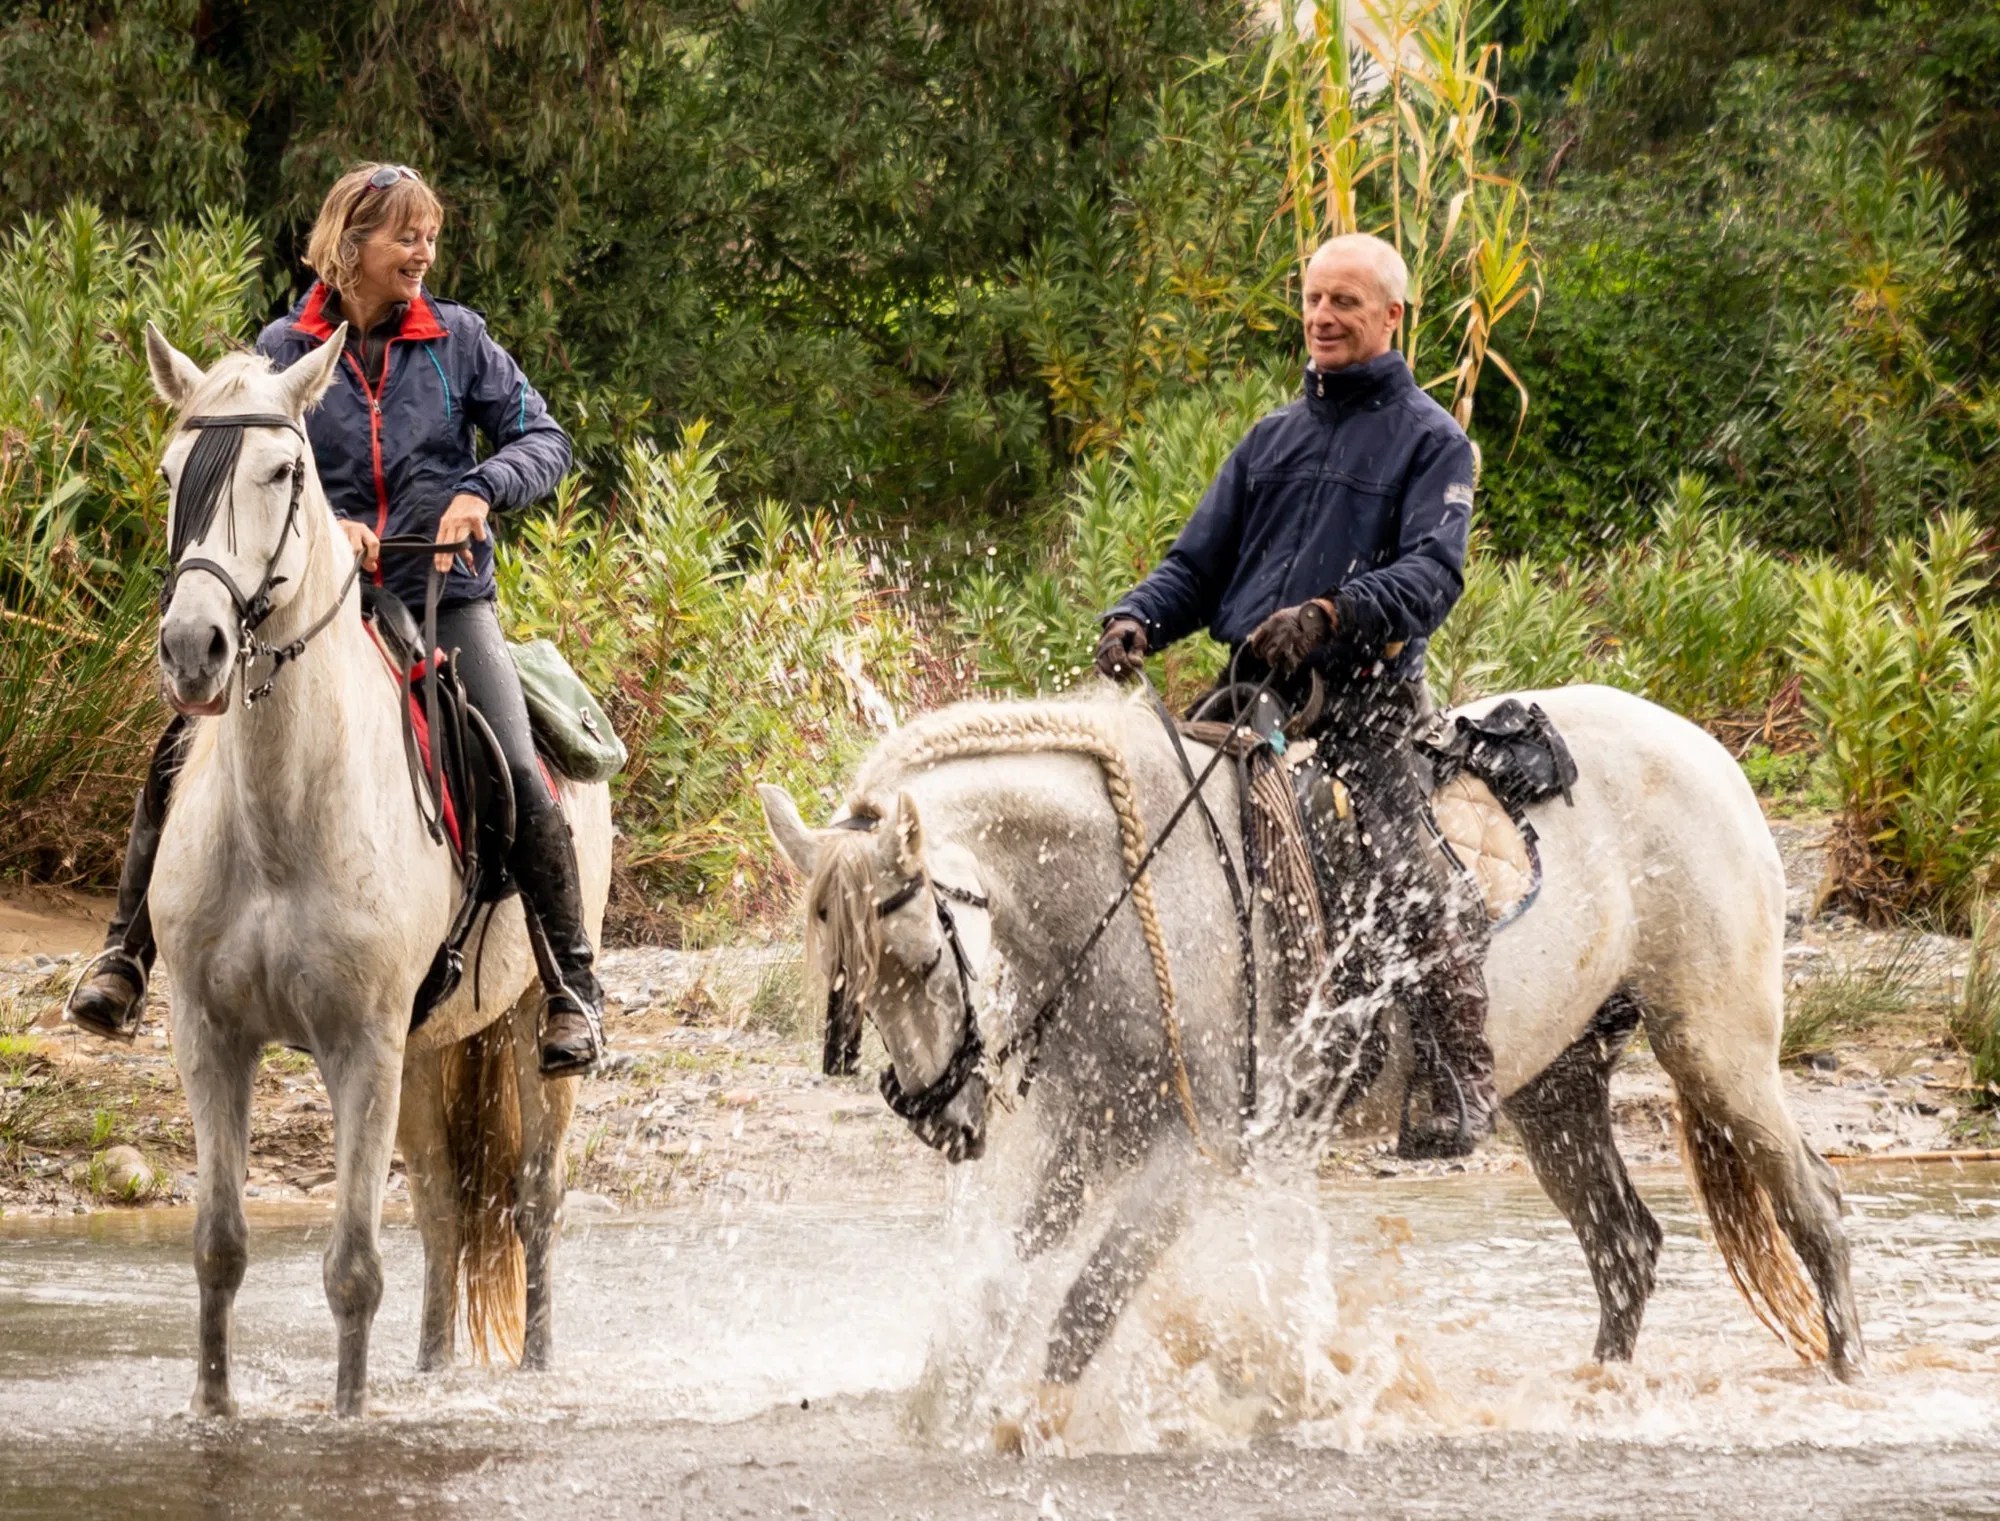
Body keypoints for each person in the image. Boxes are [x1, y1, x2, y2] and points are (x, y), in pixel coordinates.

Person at [66, 163, 605, 1077]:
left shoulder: (460, 340)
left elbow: (544, 438)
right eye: (406, 235)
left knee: (516, 765)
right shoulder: (280, 348)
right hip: (319, 604)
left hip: (445, 594)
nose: (424, 251)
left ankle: (572, 990)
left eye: (429, 234)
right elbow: (240, 472)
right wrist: (325, 527)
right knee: (176, 753)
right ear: (350, 247)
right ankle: (125, 953)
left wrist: (482, 489)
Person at [1093, 232, 1493, 1158]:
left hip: (1368, 706)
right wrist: (1138, 618)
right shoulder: (1270, 439)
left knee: (1406, 863)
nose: (1323, 317)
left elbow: (1434, 575)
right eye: (1314, 300)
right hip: (1248, 698)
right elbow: (1196, 567)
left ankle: (1456, 1077)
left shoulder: (1436, 443)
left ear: (1393, 317)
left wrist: (1329, 613)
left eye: (1346, 303)